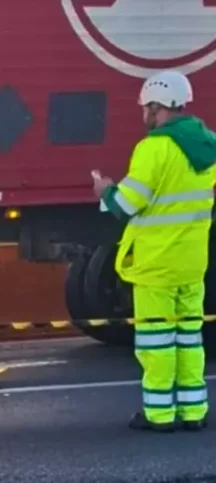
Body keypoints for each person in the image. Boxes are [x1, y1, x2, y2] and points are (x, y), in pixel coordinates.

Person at [93, 69, 216, 432]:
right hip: (191, 263)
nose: (144, 114)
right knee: (189, 339)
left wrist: (105, 191)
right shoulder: (209, 144)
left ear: (158, 106)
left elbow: (128, 205)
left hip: (156, 265)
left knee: (156, 343)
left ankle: (160, 414)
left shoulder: (154, 148)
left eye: (147, 107)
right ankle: (194, 412)